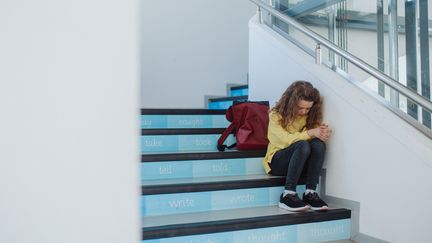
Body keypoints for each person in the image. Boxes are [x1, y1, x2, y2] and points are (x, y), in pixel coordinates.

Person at [263, 81, 332, 212]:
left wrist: (322, 132)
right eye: (300, 108)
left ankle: (310, 193)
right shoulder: (275, 115)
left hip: (299, 162)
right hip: (277, 162)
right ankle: (288, 194)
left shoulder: (309, 116)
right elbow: (284, 140)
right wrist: (310, 133)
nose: (304, 111)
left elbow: (313, 138)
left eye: (308, 108)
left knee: (318, 144)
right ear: (291, 103)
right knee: (302, 144)